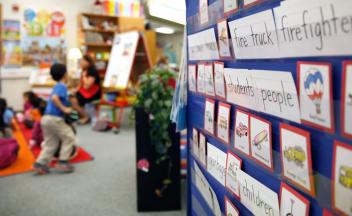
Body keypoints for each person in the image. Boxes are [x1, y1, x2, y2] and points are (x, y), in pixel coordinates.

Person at [33, 63, 76, 174]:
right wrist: (65, 109)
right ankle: (63, 161)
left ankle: (40, 164)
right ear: (65, 74)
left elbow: (57, 96)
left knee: (51, 143)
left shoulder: (58, 86)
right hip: (55, 119)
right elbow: (55, 98)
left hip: (46, 119)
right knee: (69, 137)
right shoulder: (62, 86)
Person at [71, 54, 101, 124]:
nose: (80, 62)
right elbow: (81, 85)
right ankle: (80, 116)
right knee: (70, 95)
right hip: (85, 92)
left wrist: (84, 76)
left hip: (93, 93)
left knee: (73, 99)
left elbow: (87, 86)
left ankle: (85, 116)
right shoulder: (84, 71)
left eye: (82, 60)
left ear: (88, 62)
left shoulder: (92, 71)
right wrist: (75, 90)